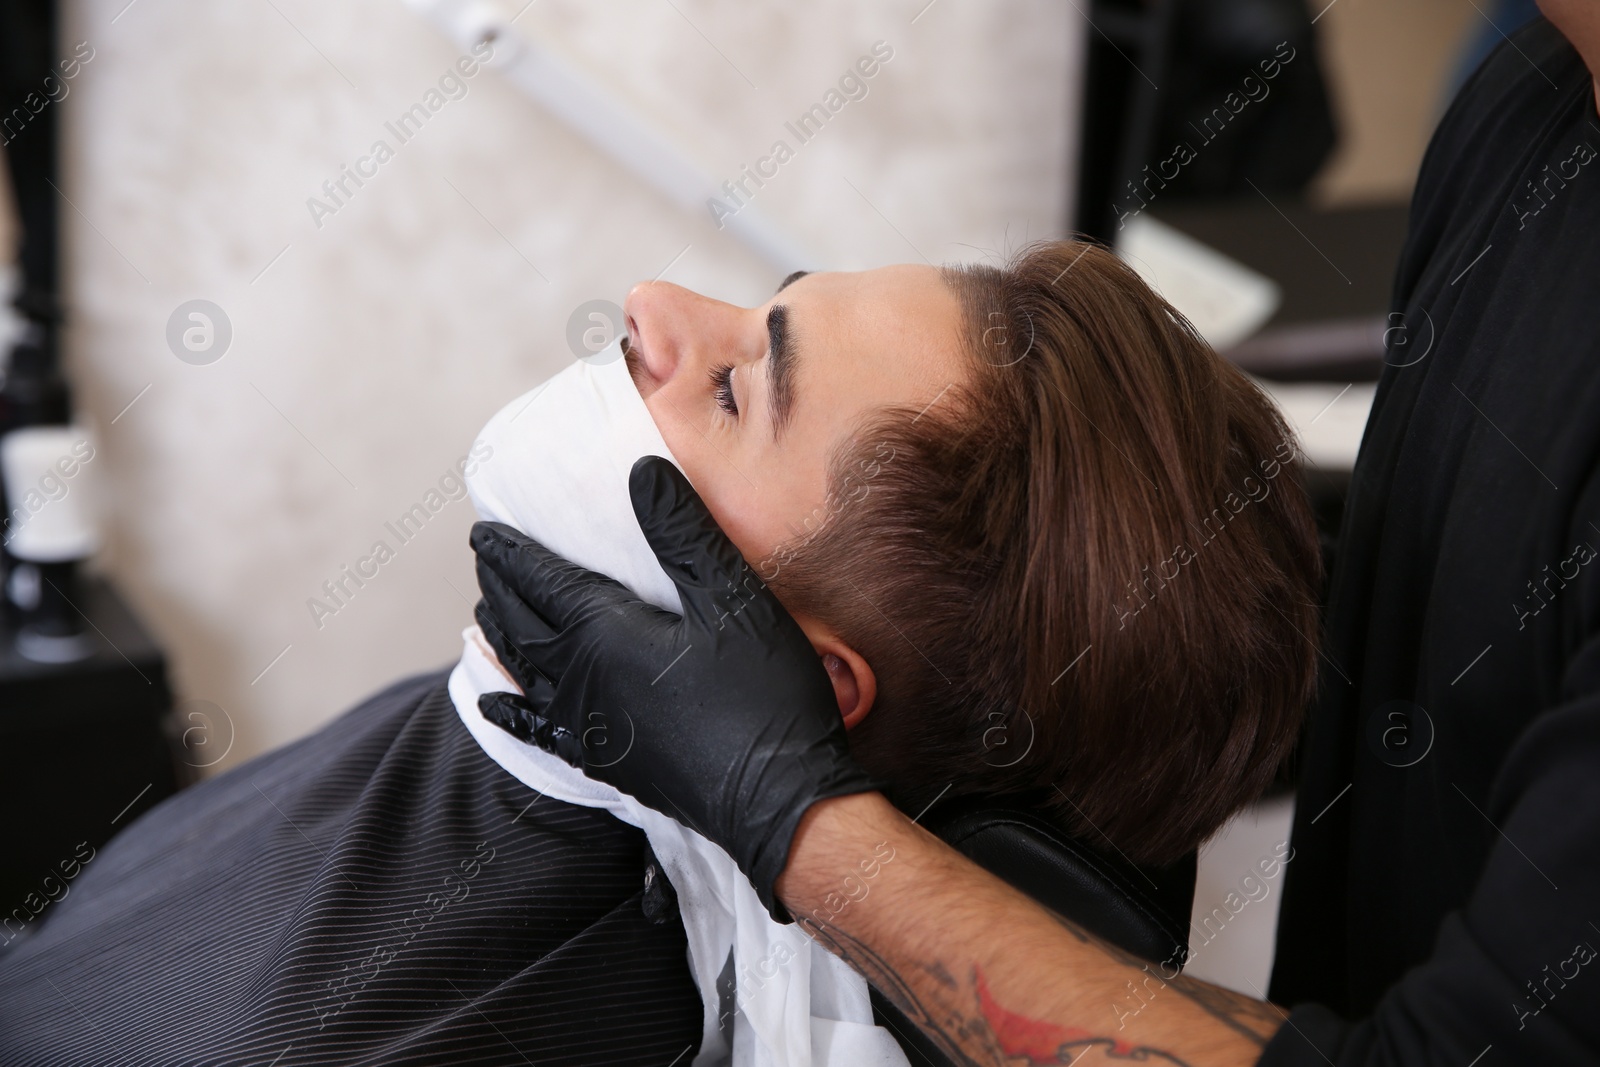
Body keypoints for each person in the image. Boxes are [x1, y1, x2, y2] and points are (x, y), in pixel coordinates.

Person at [469, 8, 1600, 1066]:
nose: (649, 302)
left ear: (817, 680)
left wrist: (793, 820)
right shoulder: (1534, 102)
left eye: (736, 388)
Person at [0, 245, 1320, 1063]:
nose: (654, 305)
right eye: (763, 302)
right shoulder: (487, 733)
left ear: (794, 683)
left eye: (740, 384)